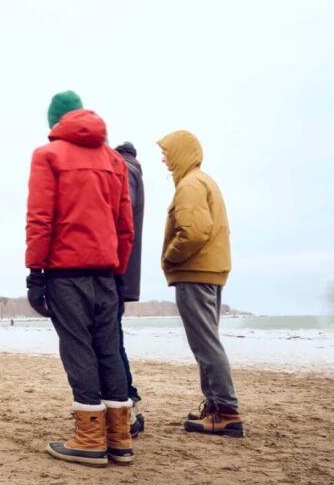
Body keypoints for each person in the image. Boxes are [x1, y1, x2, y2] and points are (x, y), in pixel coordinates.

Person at [26, 91, 135, 467]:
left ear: (55, 122)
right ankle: (119, 436)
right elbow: (125, 226)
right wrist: (119, 273)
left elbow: (41, 218)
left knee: (78, 347)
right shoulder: (114, 160)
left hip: (65, 272)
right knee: (108, 348)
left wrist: (35, 273)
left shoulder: (48, 155)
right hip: (105, 273)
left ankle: (89, 437)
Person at [158, 130, 242, 438]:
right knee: (207, 341)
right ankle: (216, 406)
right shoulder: (202, 180)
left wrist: (170, 256)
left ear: (182, 152)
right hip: (209, 271)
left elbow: (194, 231)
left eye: (167, 152)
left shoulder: (190, 184)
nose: (164, 159)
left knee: (205, 344)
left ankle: (227, 411)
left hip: (195, 272)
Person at [114, 142, 146, 437]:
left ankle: (128, 405)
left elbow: (120, 219)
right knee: (114, 340)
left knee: (112, 342)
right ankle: (127, 404)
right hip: (121, 271)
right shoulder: (133, 169)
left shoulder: (125, 170)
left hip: (114, 271)